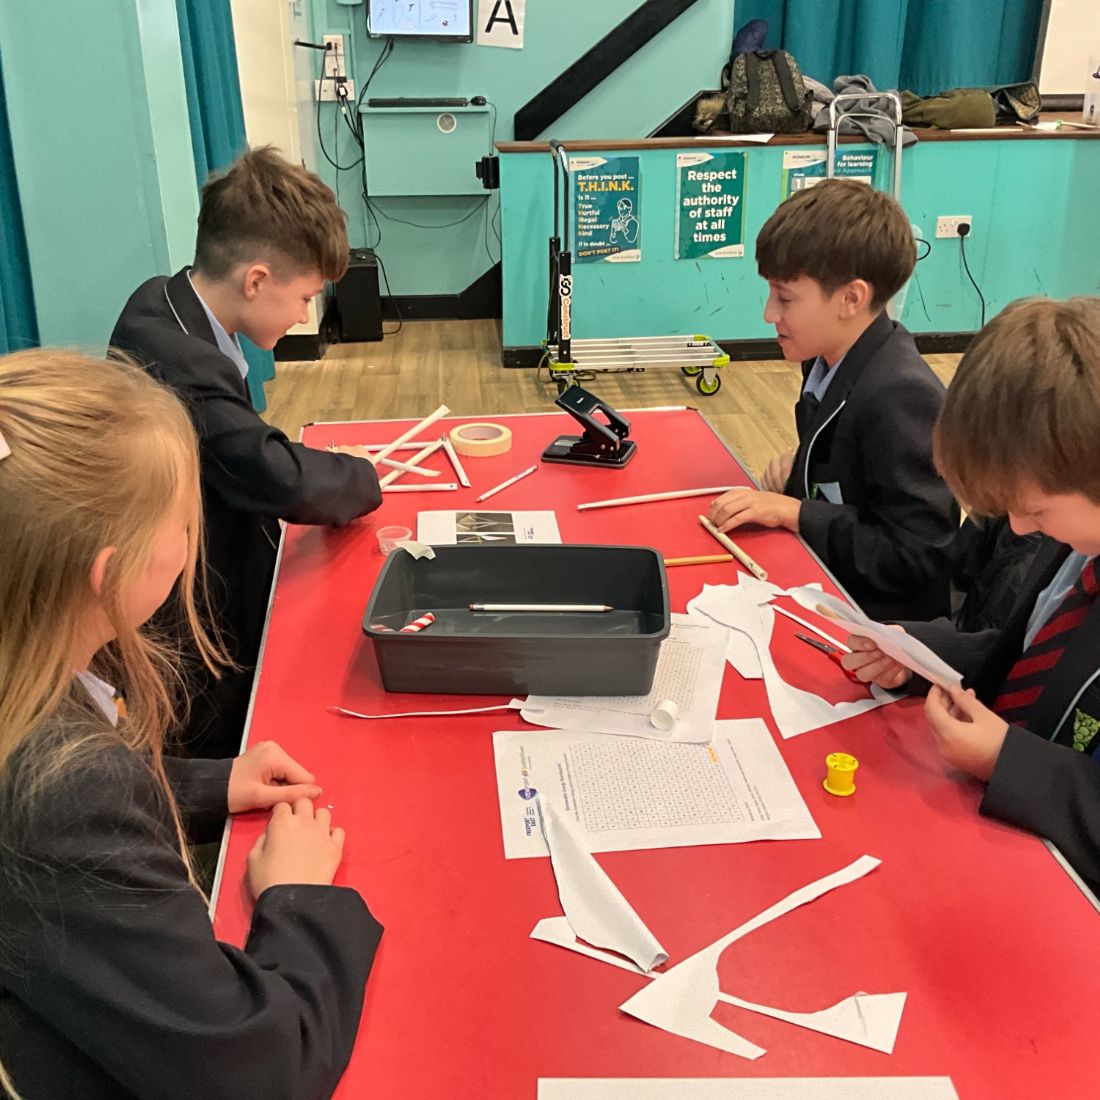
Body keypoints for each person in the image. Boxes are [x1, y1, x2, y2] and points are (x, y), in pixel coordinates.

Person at [0, 349, 381, 1099]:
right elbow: (257, 1072)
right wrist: (296, 900)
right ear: (110, 572)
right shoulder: (66, 791)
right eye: (182, 522)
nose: (188, 538)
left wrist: (211, 784)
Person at [110, 146, 381, 758]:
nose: (306, 314)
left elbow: (236, 444)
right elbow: (276, 476)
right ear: (256, 280)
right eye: (306, 296)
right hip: (198, 615)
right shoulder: (183, 362)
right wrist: (365, 475)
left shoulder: (161, 298)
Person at [842, 297, 1100, 894]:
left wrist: (1008, 761)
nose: (1021, 527)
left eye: (1035, 509)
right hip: (998, 845)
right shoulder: (1078, 539)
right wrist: (926, 655)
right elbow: (1038, 656)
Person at [707, 178, 958, 621]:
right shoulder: (826, 360)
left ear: (851, 298)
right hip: (830, 582)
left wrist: (798, 513)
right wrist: (803, 470)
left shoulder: (901, 396)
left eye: (785, 298)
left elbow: (917, 557)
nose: (769, 313)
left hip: (878, 626)